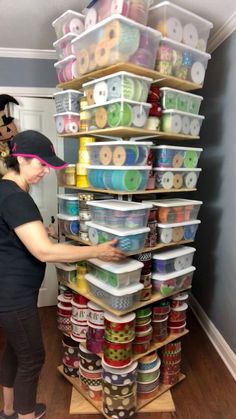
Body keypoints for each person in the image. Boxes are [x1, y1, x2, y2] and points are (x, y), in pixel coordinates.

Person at [0, 130, 126, 419]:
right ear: (21, 158)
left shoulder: (6, 191)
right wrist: (97, 251)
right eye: (41, 164)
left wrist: (47, 231)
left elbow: (15, 234)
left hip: (10, 292)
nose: (45, 171)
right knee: (32, 358)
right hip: (13, 294)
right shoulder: (16, 198)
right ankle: (25, 415)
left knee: (15, 351)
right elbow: (45, 252)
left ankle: (8, 411)